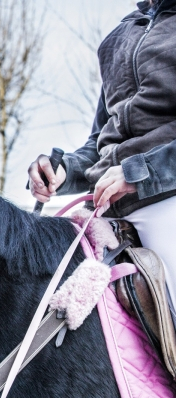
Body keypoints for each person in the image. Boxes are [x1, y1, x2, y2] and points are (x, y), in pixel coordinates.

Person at [28, 0, 176, 311]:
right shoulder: (118, 38)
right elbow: (101, 141)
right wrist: (65, 171)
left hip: (167, 200)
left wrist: (141, 172)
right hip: (102, 208)